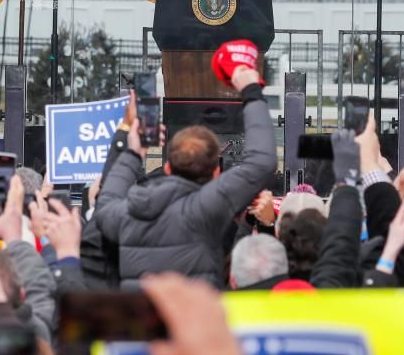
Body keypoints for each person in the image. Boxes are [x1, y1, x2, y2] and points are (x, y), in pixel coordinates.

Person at [93, 39, 277, 288]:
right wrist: (250, 90)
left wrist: (132, 148)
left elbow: (104, 198)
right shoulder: (206, 208)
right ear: (216, 172)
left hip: (138, 324)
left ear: (167, 167)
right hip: (193, 324)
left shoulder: (123, 213)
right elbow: (261, 162)